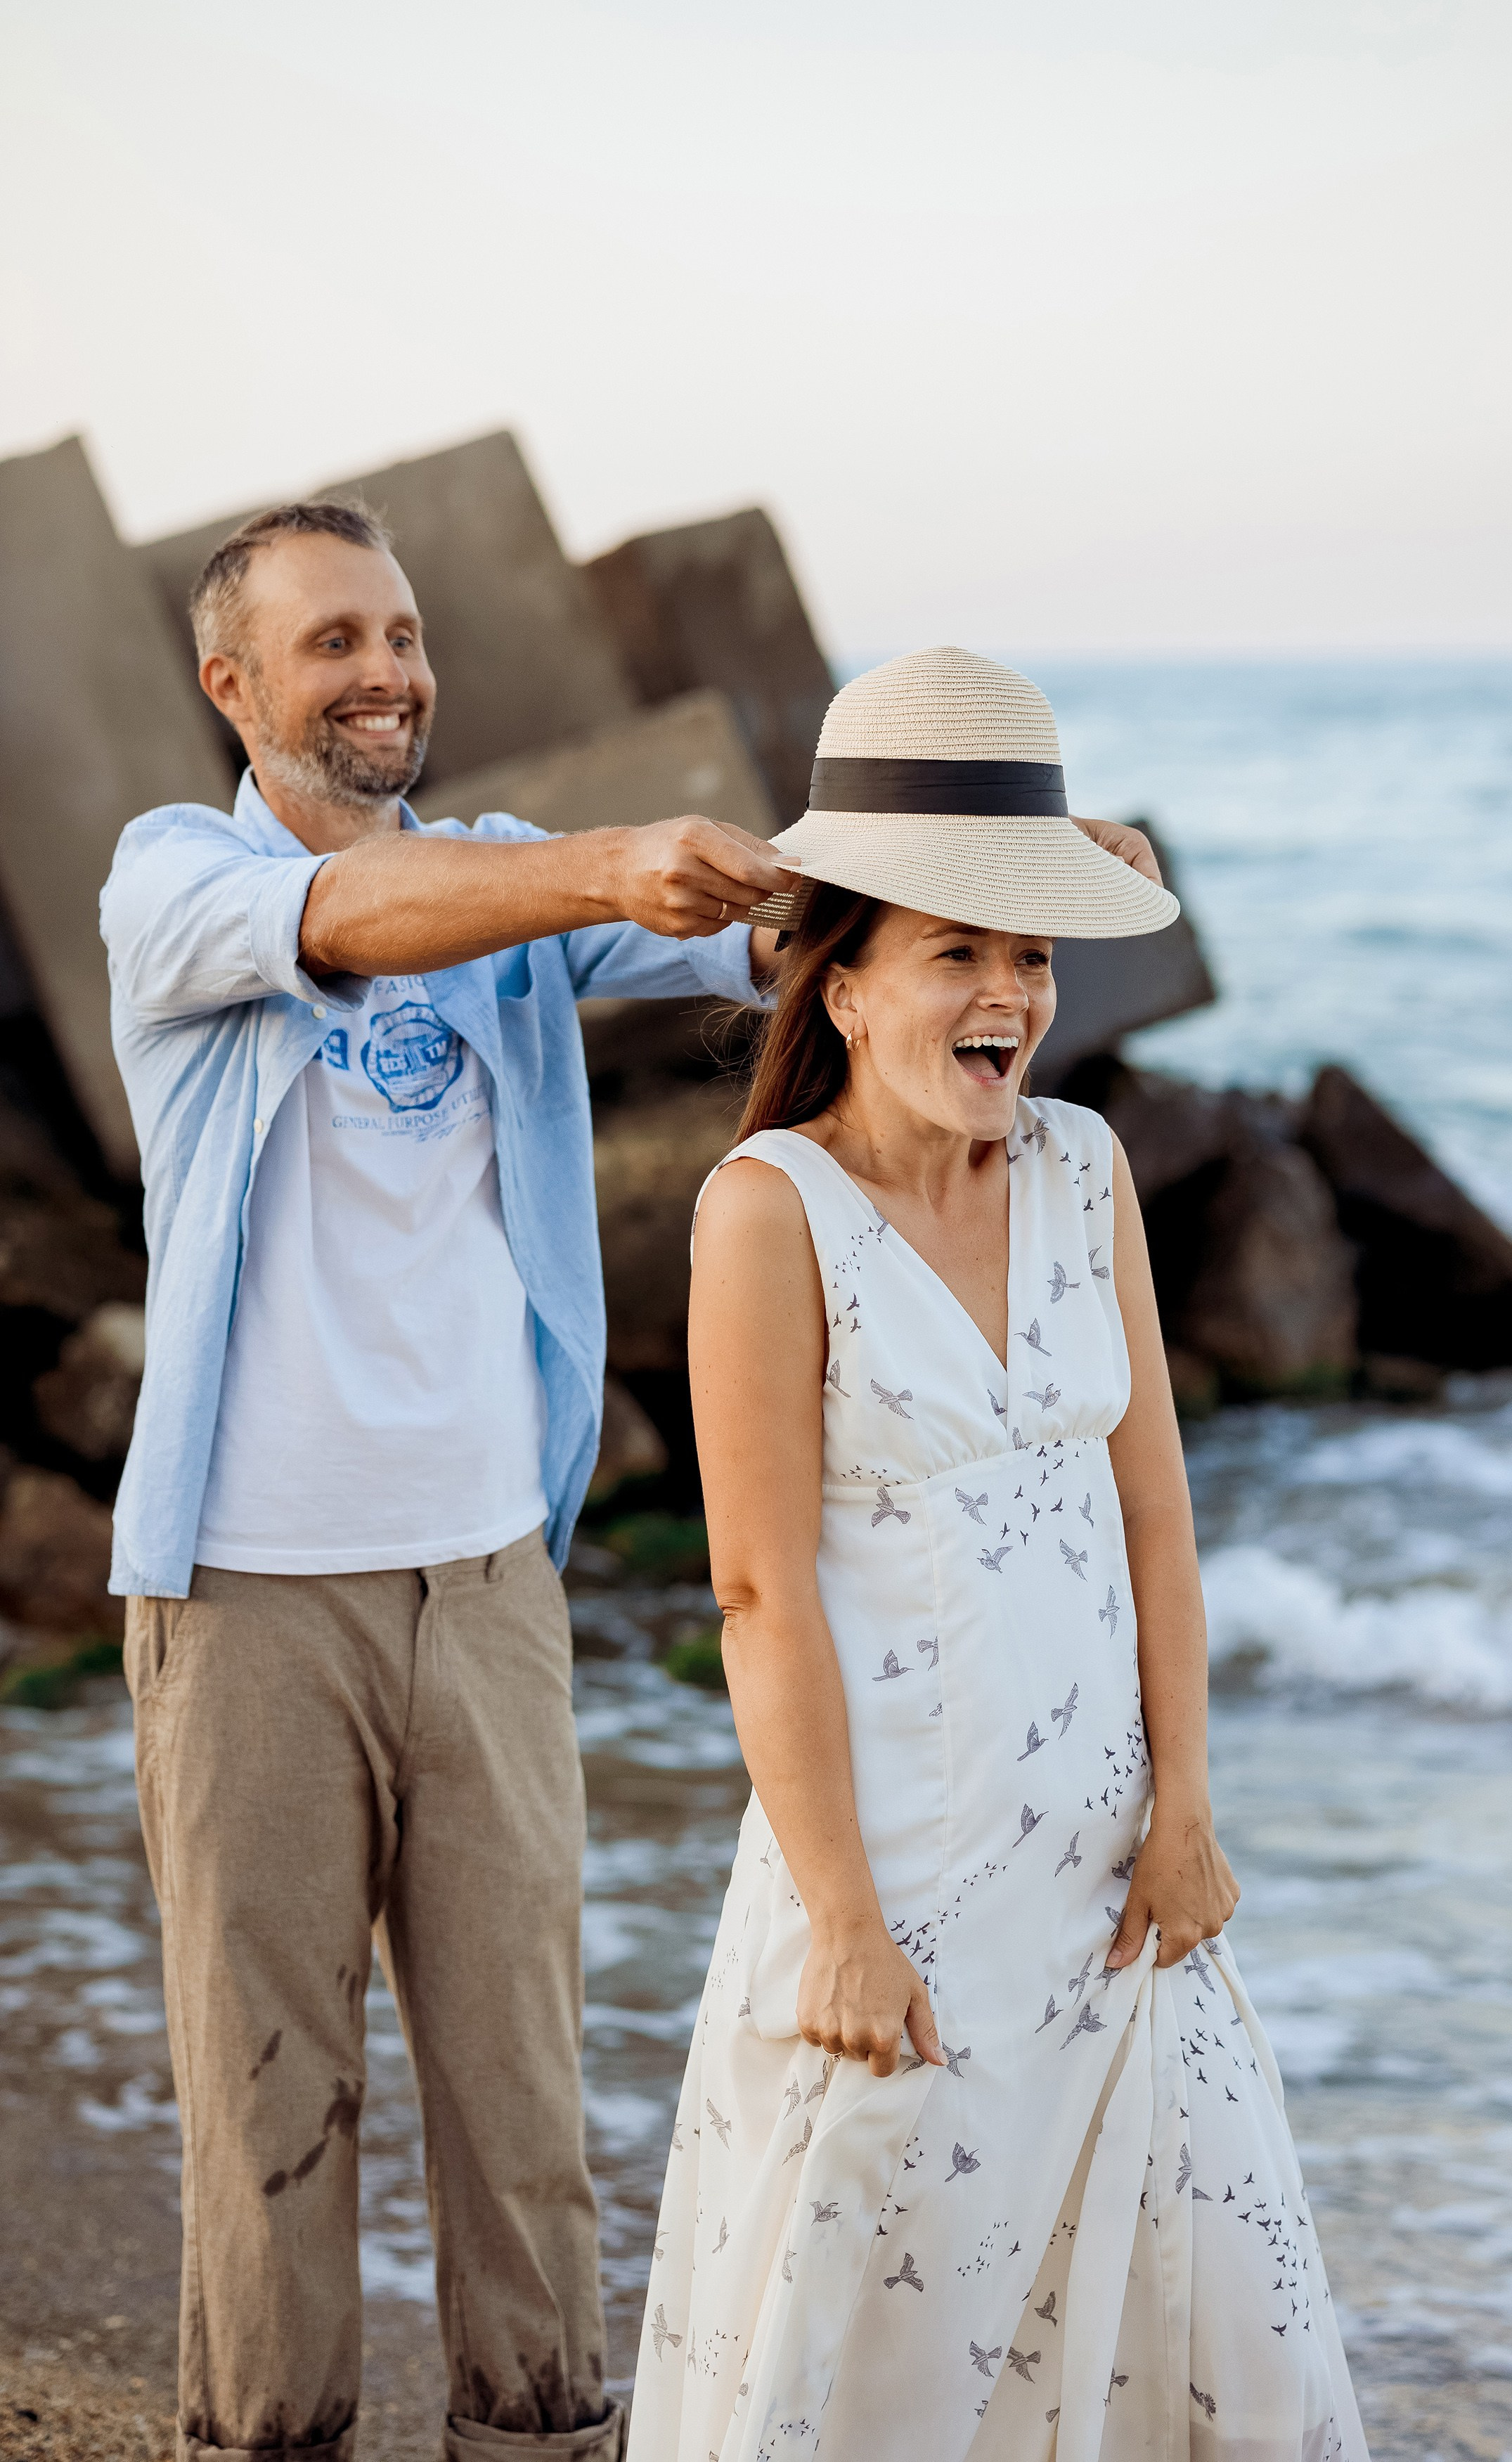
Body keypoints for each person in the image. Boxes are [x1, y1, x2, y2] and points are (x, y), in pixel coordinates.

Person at [103, 510, 1160, 2462]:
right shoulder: (178, 880)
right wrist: (608, 863)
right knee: (271, 2107)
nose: (388, 670)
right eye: (333, 639)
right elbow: (365, 918)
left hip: (491, 1584)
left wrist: (1007, 883)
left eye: (405, 634)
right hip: (244, 1592)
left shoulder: (513, 884)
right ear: (229, 684)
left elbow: (784, 940)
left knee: (525, 2098)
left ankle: (542, 2442)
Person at [630, 647, 1369, 2461]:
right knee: (890, 2346)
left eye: (1031, 953)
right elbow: (757, 1590)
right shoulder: (767, 1213)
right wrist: (846, 1925)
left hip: (1117, 1878)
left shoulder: (1087, 1166)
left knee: (1193, 2339)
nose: (1008, 997)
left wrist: (1187, 1802)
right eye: (957, 948)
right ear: (848, 981)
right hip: (903, 1889)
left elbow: (1154, 1511)